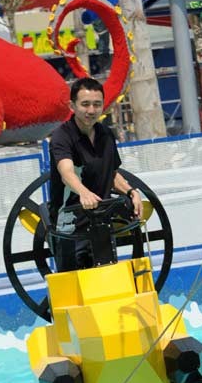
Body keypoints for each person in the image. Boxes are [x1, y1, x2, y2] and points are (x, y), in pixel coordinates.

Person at [48, 76, 142, 271]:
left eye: (97, 104)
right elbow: (66, 171)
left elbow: (112, 173)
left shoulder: (105, 135)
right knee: (72, 288)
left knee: (105, 278)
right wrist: (83, 192)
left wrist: (132, 192)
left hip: (101, 222)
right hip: (71, 224)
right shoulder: (62, 136)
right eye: (85, 104)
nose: (91, 110)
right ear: (72, 105)